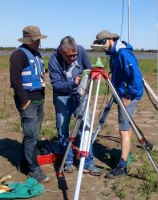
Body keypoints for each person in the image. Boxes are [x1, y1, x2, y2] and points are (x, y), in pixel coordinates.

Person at [48, 36, 102, 176]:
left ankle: (88, 163)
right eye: (69, 56)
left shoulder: (81, 51)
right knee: (62, 130)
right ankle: (68, 161)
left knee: (85, 128)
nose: (73, 59)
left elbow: (88, 69)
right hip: (62, 97)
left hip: (80, 95)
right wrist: (73, 83)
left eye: (74, 55)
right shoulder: (53, 61)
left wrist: (88, 79)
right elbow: (57, 84)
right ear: (61, 51)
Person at [93, 30, 144, 178]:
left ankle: (121, 165)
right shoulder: (114, 54)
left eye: (103, 43)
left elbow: (136, 78)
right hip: (121, 94)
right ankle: (125, 153)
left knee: (123, 129)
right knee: (126, 129)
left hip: (127, 96)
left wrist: (128, 96)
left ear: (110, 40)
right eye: (100, 44)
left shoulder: (123, 54)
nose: (103, 47)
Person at [9, 25, 49, 183]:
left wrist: (41, 98)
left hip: (38, 99)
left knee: (33, 134)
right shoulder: (18, 55)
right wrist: (24, 101)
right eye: (37, 39)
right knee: (32, 136)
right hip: (28, 102)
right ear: (30, 40)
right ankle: (33, 170)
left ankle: (25, 163)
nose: (39, 42)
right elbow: (15, 80)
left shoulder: (36, 54)